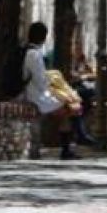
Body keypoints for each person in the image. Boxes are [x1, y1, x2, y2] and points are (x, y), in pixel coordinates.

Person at [18, 22, 79, 160]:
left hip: (31, 92)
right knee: (68, 109)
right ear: (43, 37)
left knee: (66, 106)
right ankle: (66, 148)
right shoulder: (34, 55)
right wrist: (55, 88)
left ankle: (65, 144)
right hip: (34, 95)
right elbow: (41, 82)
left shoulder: (25, 51)